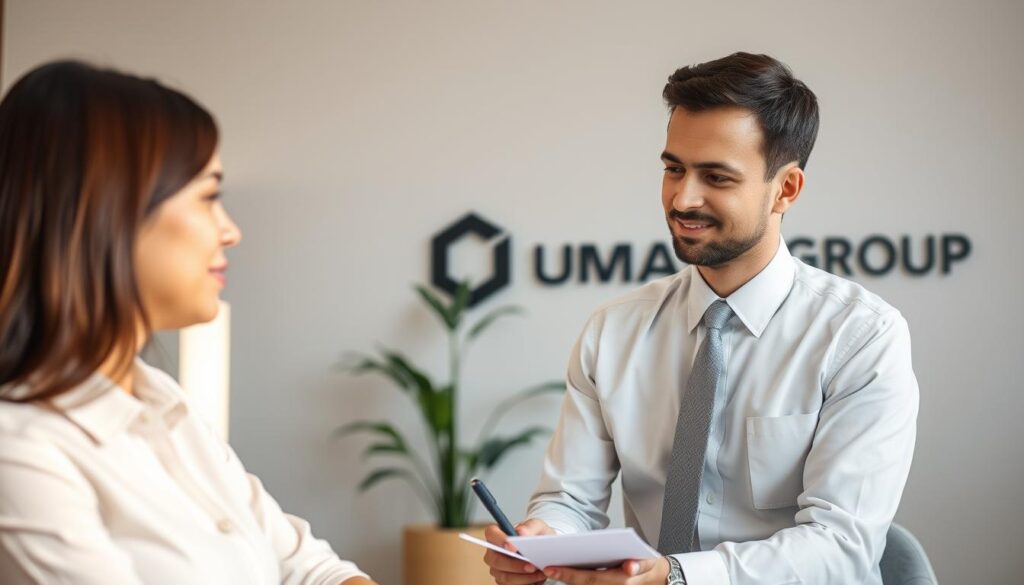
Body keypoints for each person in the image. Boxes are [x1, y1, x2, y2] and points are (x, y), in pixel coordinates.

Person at [483, 52, 918, 585]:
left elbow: (841, 547)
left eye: (716, 176)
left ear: (786, 189)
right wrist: (545, 539)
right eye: (673, 169)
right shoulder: (613, 332)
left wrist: (676, 576)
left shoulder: (860, 337)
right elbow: (569, 498)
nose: (683, 198)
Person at [0, 61, 377, 585]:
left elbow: (310, 569)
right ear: (110, 210)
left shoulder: (163, 404)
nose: (230, 232)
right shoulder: (20, 452)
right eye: (209, 197)